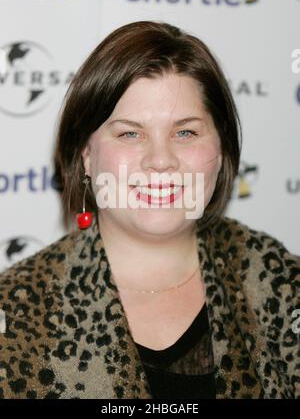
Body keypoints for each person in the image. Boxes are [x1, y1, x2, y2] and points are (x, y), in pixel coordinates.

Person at [0, 21, 299, 400]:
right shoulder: (15, 311)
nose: (161, 161)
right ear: (87, 156)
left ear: (222, 152)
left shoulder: (284, 286)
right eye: (130, 133)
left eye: (185, 132)